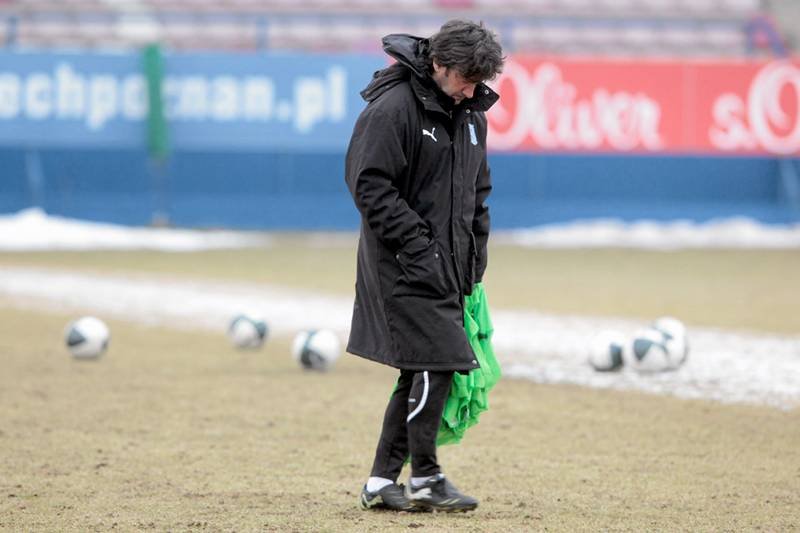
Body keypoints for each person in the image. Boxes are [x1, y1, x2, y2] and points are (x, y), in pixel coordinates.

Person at [344, 19, 504, 513]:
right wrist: (419, 247)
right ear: (438, 64)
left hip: (449, 268)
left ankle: (380, 483)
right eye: (466, 79)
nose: (472, 91)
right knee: (441, 360)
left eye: (479, 82)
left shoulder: (471, 116)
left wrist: (474, 259)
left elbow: (477, 193)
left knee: (420, 367)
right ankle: (426, 477)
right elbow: (368, 184)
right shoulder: (393, 108)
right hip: (402, 265)